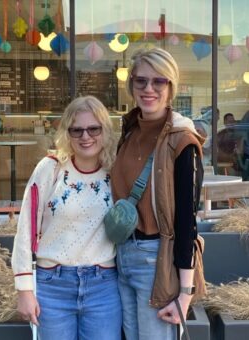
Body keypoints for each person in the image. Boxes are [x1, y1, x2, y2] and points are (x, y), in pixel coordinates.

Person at [110, 47, 206, 340]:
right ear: (131, 86)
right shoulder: (127, 133)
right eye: (141, 81)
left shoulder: (181, 140)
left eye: (158, 81)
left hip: (156, 261)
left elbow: (187, 221)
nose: (148, 89)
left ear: (171, 86)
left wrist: (185, 293)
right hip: (121, 256)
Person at [12, 96, 121, 340]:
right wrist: (24, 290)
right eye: (77, 130)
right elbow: (25, 229)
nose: (86, 136)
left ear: (105, 130)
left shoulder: (115, 172)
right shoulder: (50, 169)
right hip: (53, 286)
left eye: (94, 128)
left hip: (103, 286)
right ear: (66, 133)